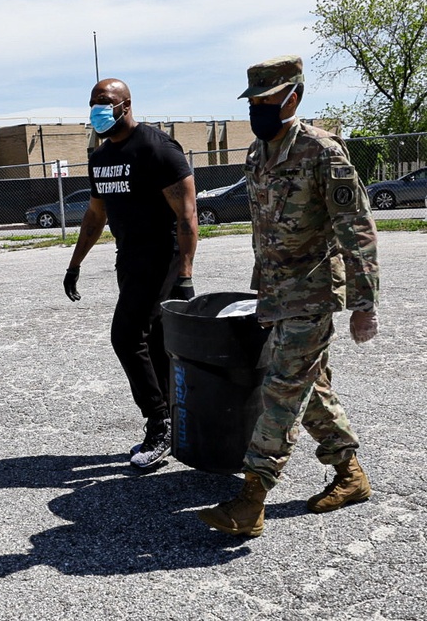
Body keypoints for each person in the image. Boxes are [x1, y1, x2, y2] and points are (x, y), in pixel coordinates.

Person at [198, 55, 380, 537]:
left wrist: (364, 304)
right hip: (278, 293)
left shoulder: (324, 152)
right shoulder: (257, 155)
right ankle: (350, 475)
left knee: (280, 389)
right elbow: (263, 231)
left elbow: (356, 229)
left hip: (315, 291)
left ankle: (251, 498)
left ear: (293, 97)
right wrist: (260, 291)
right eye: (253, 102)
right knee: (309, 385)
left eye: (267, 101)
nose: (257, 110)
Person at [63, 78, 198, 469]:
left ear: (126, 105)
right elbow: (95, 215)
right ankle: (176, 420)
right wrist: (75, 264)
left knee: (125, 335)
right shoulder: (100, 157)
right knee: (153, 341)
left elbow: (187, 215)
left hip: (163, 256)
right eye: (92, 103)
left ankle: (159, 422)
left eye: (104, 102)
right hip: (129, 257)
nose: (96, 109)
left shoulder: (157, 148)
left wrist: (185, 274)